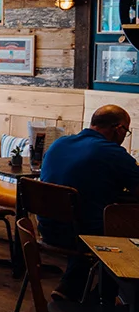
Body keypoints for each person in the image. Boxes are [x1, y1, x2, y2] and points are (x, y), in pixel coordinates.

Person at [39, 104, 139, 300]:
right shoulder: (112, 153)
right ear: (118, 129)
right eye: (126, 132)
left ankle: (71, 286)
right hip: (83, 235)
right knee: (123, 226)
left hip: (47, 228)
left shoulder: (59, 143)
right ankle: (110, 296)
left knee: (87, 215)